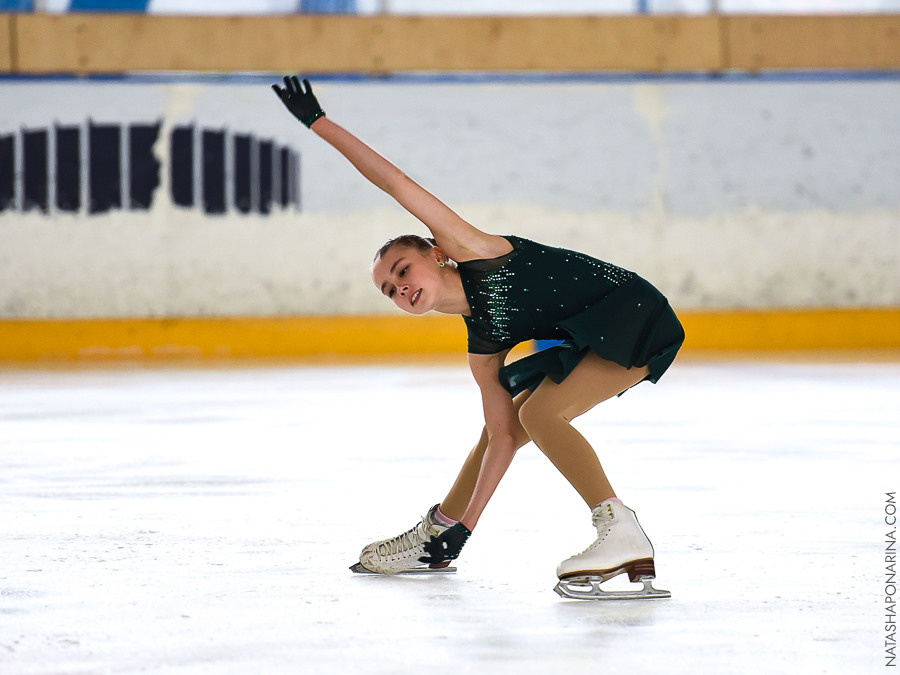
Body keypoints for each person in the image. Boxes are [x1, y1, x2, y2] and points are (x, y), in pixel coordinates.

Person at [272, 76, 684, 600]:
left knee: (539, 413)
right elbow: (502, 438)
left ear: (436, 254)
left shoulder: (476, 251)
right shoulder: (482, 345)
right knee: (510, 423)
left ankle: (619, 528)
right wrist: (464, 530)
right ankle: (440, 532)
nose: (400, 288)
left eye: (403, 269)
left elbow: (395, 183)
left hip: (631, 312)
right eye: (389, 290)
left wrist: (319, 123)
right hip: (590, 333)